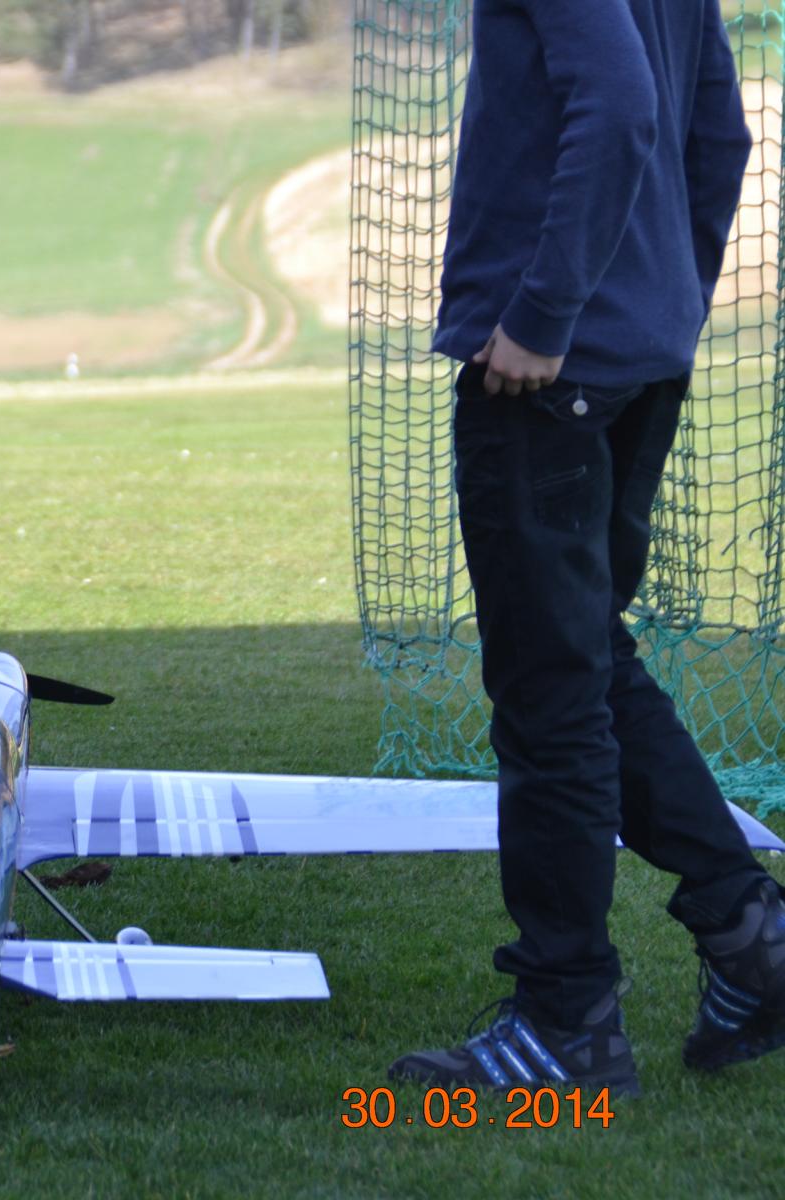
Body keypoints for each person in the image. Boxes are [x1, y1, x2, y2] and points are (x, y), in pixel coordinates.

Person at [391, 0, 785, 1093]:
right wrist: (664, 305)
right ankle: (752, 935)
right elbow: (719, 132)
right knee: (587, 661)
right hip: (631, 360)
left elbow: (619, 105)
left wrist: (546, 314)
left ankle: (566, 1022)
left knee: (549, 692)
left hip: (547, 367)